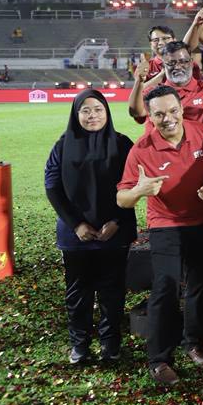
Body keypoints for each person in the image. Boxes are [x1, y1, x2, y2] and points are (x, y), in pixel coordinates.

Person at [116, 86, 203, 385]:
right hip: (166, 223)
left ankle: (192, 342)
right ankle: (159, 359)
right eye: (159, 114)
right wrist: (139, 190)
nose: (168, 118)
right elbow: (122, 199)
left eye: (173, 111)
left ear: (182, 109)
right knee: (166, 286)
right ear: (149, 116)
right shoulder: (141, 149)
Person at [44, 90, 137, 364]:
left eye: (98, 109)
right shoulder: (62, 146)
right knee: (78, 292)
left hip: (114, 231)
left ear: (107, 112)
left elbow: (133, 186)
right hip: (76, 235)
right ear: (76, 115)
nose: (92, 115)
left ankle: (110, 346)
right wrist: (76, 224)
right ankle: (80, 346)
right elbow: (52, 187)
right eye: (85, 110)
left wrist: (116, 220)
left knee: (112, 291)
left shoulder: (122, 144)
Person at [128, 41, 203, 128]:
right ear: (163, 66)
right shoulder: (153, 92)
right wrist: (139, 81)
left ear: (191, 63)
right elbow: (136, 112)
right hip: (163, 147)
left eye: (183, 61)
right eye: (171, 63)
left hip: (201, 147)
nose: (178, 67)